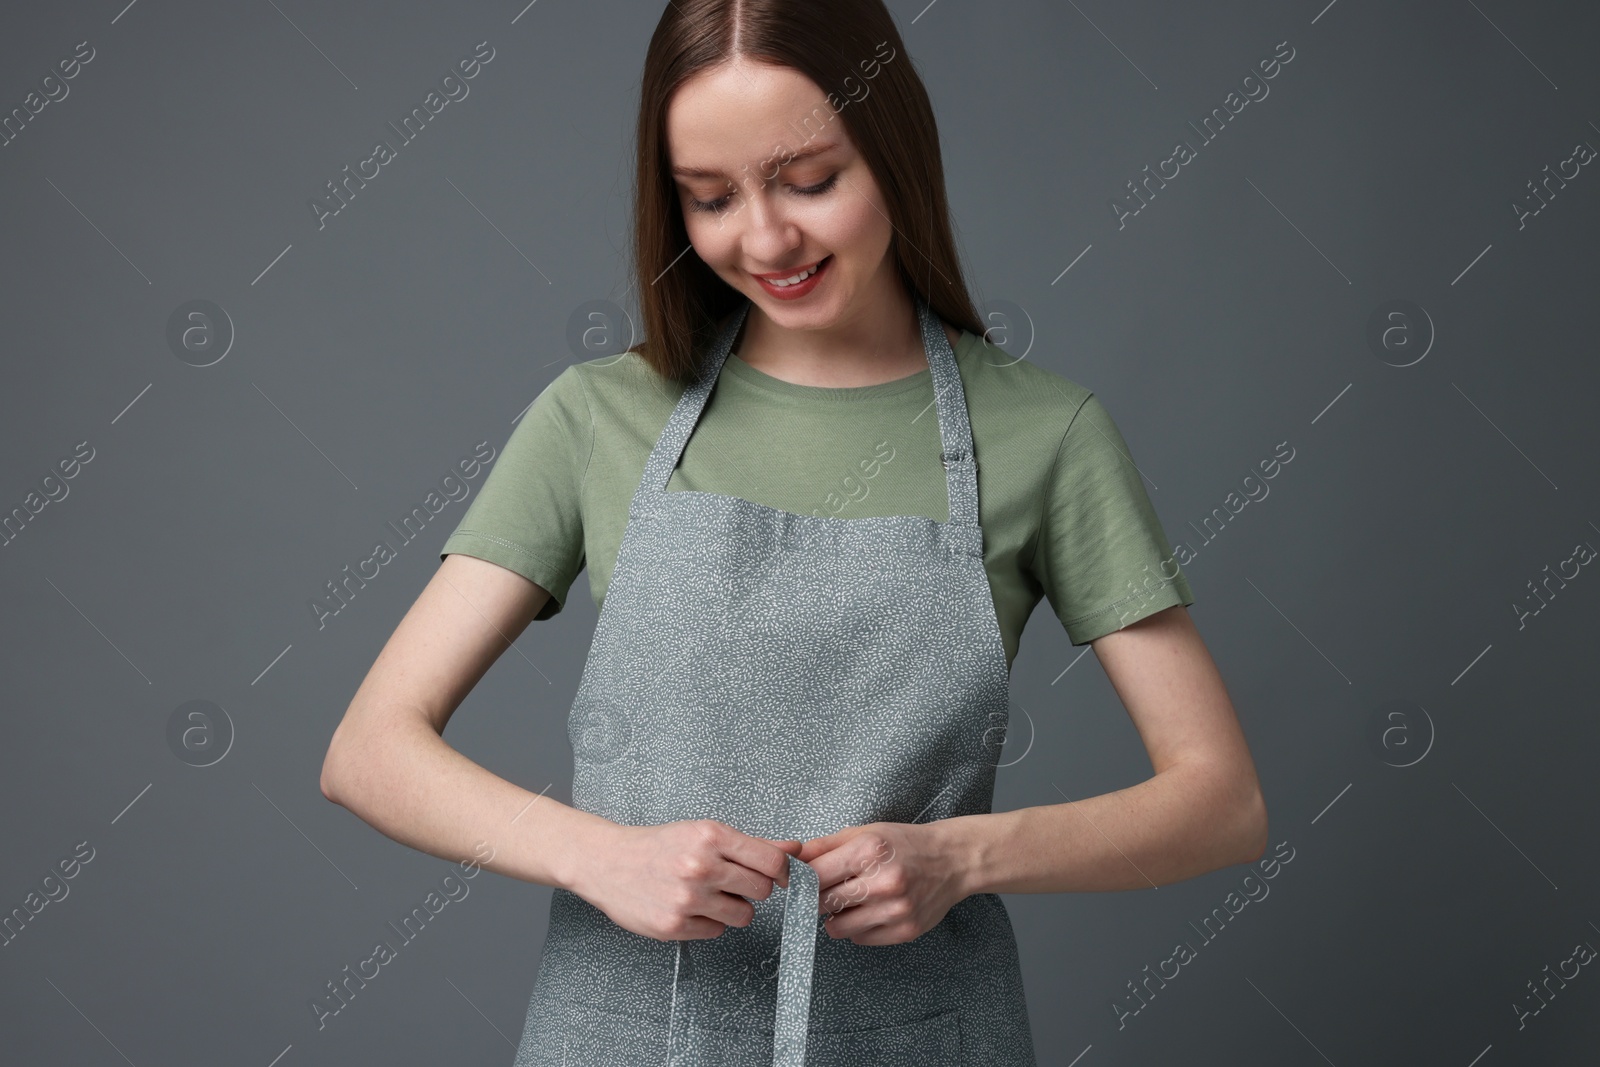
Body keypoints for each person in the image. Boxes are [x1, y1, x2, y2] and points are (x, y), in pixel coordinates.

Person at [319, 1, 1267, 1064]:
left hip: (920, 1035)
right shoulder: (597, 416)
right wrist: (597, 854)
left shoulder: (1044, 433)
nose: (765, 238)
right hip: (618, 1034)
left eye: (810, 180)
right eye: (710, 199)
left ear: (893, 153)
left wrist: (962, 855)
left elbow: (1219, 798)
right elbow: (370, 750)